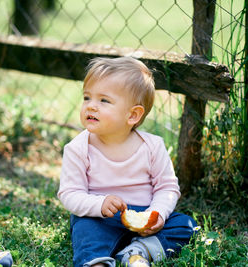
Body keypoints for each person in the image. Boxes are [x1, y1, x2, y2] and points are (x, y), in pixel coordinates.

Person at [57, 57, 197, 267]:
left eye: (104, 100)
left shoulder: (152, 147)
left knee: (186, 225)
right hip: (101, 218)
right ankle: (96, 262)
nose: (91, 106)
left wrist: (157, 213)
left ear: (132, 115)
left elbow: (167, 187)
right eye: (87, 98)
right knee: (84, 226)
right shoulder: (78, 148)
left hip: (144, 217)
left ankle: (138, 251)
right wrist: (99, 204)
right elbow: (69, 193)